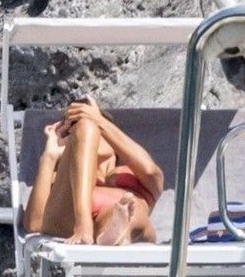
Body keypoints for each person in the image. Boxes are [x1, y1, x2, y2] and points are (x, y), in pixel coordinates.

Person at [23, 96, 162, 245]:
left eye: (98, 128)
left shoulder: (132, 174)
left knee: (132, 212)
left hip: (122, 220)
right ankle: (84, 224)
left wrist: (99, 121)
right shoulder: (61, 179)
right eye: (72, 131)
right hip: (70, 222)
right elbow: (35, 224)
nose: (79, 133)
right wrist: (49, 157)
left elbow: (152, 173)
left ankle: (115, 232)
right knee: (86, 125)